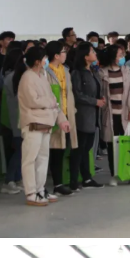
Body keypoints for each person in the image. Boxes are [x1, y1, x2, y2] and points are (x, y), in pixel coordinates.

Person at [17, 45, 70, 206]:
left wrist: (61, 119)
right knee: (30, 159)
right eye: (44, 58)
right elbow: (33, 101)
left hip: (46, 122)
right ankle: (31, 192)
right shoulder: (27, 77)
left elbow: (53, 100)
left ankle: (40, 189)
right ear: (37, 61)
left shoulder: (42, 76)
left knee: (42, 158)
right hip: (33, 123)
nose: (46, 61)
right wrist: (50, 103)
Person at [99, 44, 130, 186]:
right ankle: (115, 175)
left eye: (123, 54)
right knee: (113, 146)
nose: (122, 57)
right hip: (110, 115)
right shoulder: (102, 73)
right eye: (120, 55)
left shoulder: (127, 71)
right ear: (112, 57)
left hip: (126, 114)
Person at [45, 40, 79, 196]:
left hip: (67, 113)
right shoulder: (46, 72)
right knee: (54, 149)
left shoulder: (65, 71)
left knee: (64, 147)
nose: (66, 54)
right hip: (53, 115)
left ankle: (60, 183)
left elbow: (69, 93)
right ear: (56, 55)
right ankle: (56, 183)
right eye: (63, 52)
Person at [70, 42, 104, 188]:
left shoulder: (93, 71)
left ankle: (86, 178)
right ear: (85, 56)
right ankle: (73, 180)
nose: (95, 53)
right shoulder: (77, 73)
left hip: (93, 114)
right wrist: (95, 101)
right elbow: (77, 95)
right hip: (83, 115)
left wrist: (100, 99)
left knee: (87, 147)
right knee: (79, 149)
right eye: (92, 51)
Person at [0, 46, 25, 195]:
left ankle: (16, 178)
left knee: (21, 150)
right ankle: (9, 180)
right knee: (19, 150)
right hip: (16, 118)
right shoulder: (12, 77)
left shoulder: (16, 76)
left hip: (19, 118)